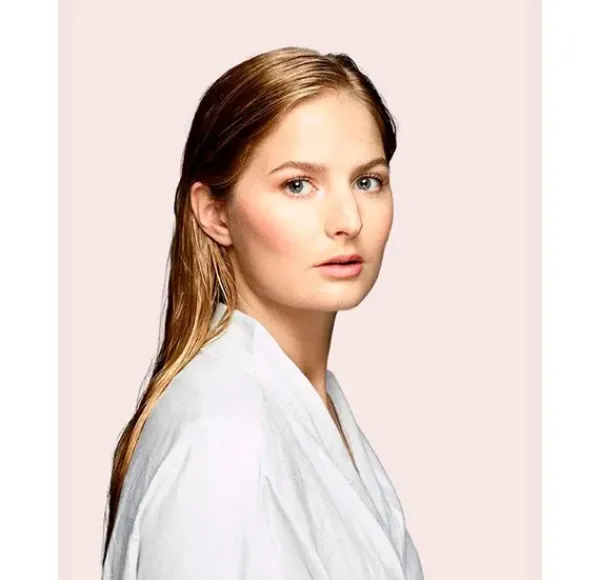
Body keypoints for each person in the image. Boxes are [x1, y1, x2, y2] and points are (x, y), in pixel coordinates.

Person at [100, 46, 424, 580]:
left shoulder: (306, 401)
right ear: (215, 214)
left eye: (367, 181)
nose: (348, 220)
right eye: (298, 185)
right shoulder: (226, 439)